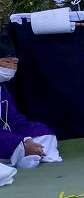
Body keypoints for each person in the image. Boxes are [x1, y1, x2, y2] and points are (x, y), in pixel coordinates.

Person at [0, 38, 63, 170]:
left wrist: (27, 138)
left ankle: (29, 154)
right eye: (6, 62)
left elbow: (14, 119)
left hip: (6, 135)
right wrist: (20, 142)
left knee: (44, 133)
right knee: (17, 145)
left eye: (15, 63)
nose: (11, 67)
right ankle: (22, 155)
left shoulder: (2, 88)